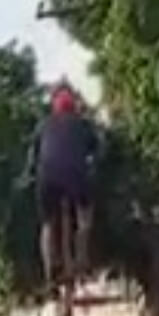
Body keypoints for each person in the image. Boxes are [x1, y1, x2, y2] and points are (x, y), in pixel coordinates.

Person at [24, 83, 100, 290]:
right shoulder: (83, 124)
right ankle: (82, 260)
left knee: (48, 224)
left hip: (47, 180)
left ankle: (51, 269)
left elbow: (33, 157)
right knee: (85, 218)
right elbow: (98, 149)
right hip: (76, 177)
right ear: (74, 105)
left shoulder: (43, 125)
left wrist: (30, 175)